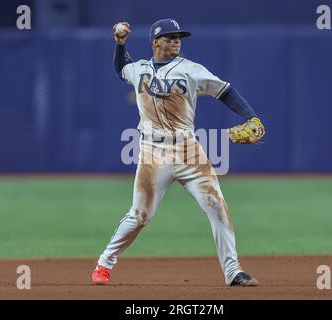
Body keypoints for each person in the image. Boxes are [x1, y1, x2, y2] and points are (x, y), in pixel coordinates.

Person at [92, 18, 265, 286]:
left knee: (216, 205)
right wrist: (120, 43)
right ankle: (105, 262)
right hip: (151, 151)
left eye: (178, 37)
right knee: (139, 216)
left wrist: (251, 117)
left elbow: (225, 91)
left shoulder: (191, 70)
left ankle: (233, 271)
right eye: (170, 36)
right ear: (155, 42)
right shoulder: (139, 69)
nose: (176, 40)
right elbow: (121, 69)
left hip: (188, 150)